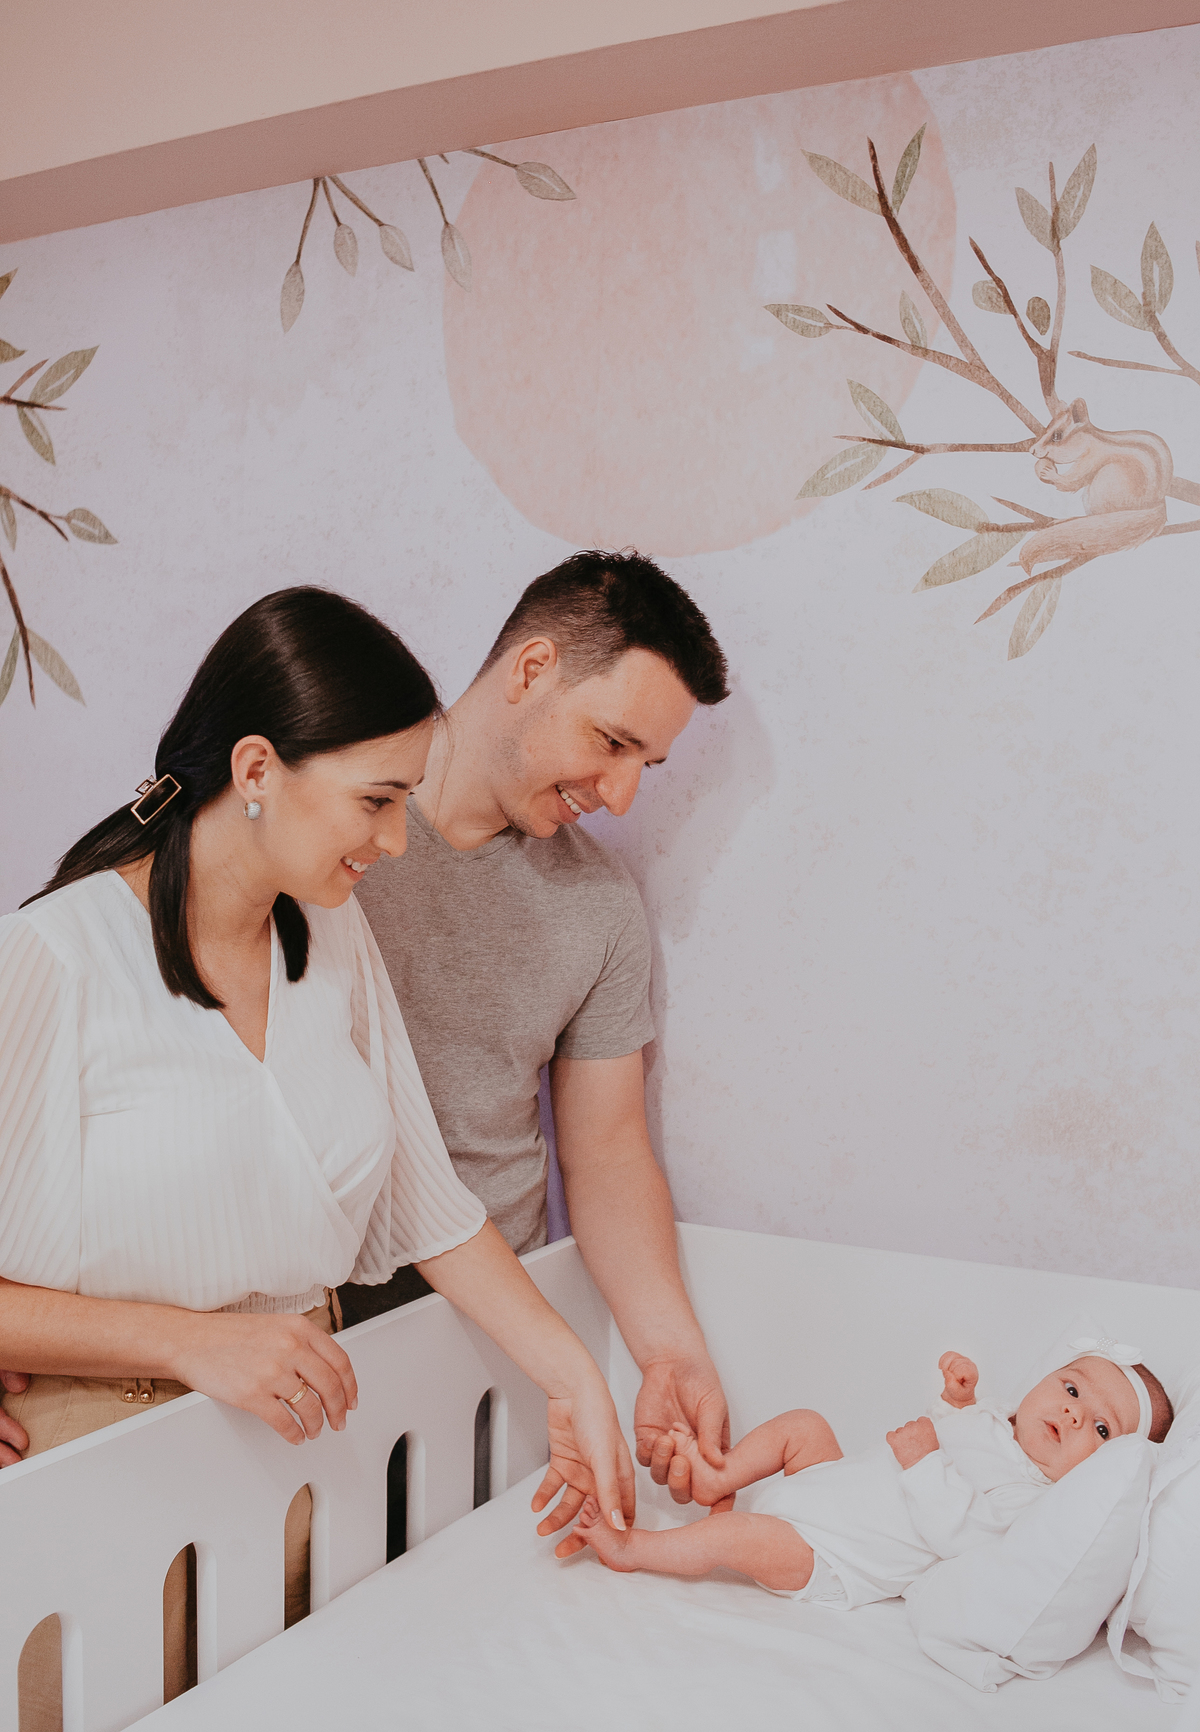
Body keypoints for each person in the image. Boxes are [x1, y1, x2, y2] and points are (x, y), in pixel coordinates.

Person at [0, 587, 634, 1724]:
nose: (395, 843)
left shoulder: (331, 942)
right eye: (376, 802)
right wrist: (190, 1343)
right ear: (256, 770)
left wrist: (575, 1374)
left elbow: (425, 1205)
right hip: (99, 1455)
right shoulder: (54, 960)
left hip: (299, 1447)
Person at [349, 550, 733, 1533]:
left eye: (644, 765)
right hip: (309, 1310)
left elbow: (604, 1152)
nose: (619, 796)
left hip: (485, 1337)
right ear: (528, 671)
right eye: (611, 741)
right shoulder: (334, 825)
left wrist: (670, 1353)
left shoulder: (600, 909)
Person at [571, 1339, 1174, 1599]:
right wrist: (956, 1404)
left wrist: (920, 1463)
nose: (1072, 1415)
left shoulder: (1030, 1497)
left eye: (1100, 1429)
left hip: (833, 1557)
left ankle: (634, 1548)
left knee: (737, 1538)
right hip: (828, 1485)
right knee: (806, 1426)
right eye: (1071, 1388)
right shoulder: (1000, 1420)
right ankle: (717, 1478)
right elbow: (956, 1434)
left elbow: (957, 1532)